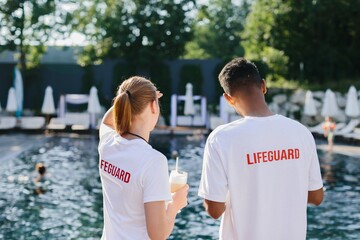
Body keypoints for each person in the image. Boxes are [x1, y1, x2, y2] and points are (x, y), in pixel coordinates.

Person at [198, 58, 324, 240]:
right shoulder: (301, 133)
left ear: (228, 99)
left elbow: (214, 210)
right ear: (263, 86)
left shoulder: (221, 138)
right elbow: (316, 197)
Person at [98, 76, 189, 240]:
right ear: (154, 106)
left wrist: (130, 96)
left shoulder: (107, 144)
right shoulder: (153, 161)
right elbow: (158, 235)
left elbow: (107, 121)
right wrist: (176, 204)